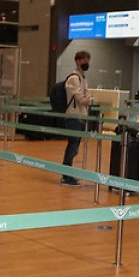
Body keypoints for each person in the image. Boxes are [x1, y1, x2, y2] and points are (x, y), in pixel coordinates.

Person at [60, 50, 92, 186]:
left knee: (75, 146)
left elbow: (87, 95)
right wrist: (86, 99)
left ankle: (68, 173)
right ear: (78, 61)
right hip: (73, 116)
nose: (87, 63)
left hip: (80, 116)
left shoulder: (83, 78)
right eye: (84, 60)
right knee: (72, 145)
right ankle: (66, 176)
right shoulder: (74, 78)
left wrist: (87, 98)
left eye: (88, 60)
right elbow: (81, 98)